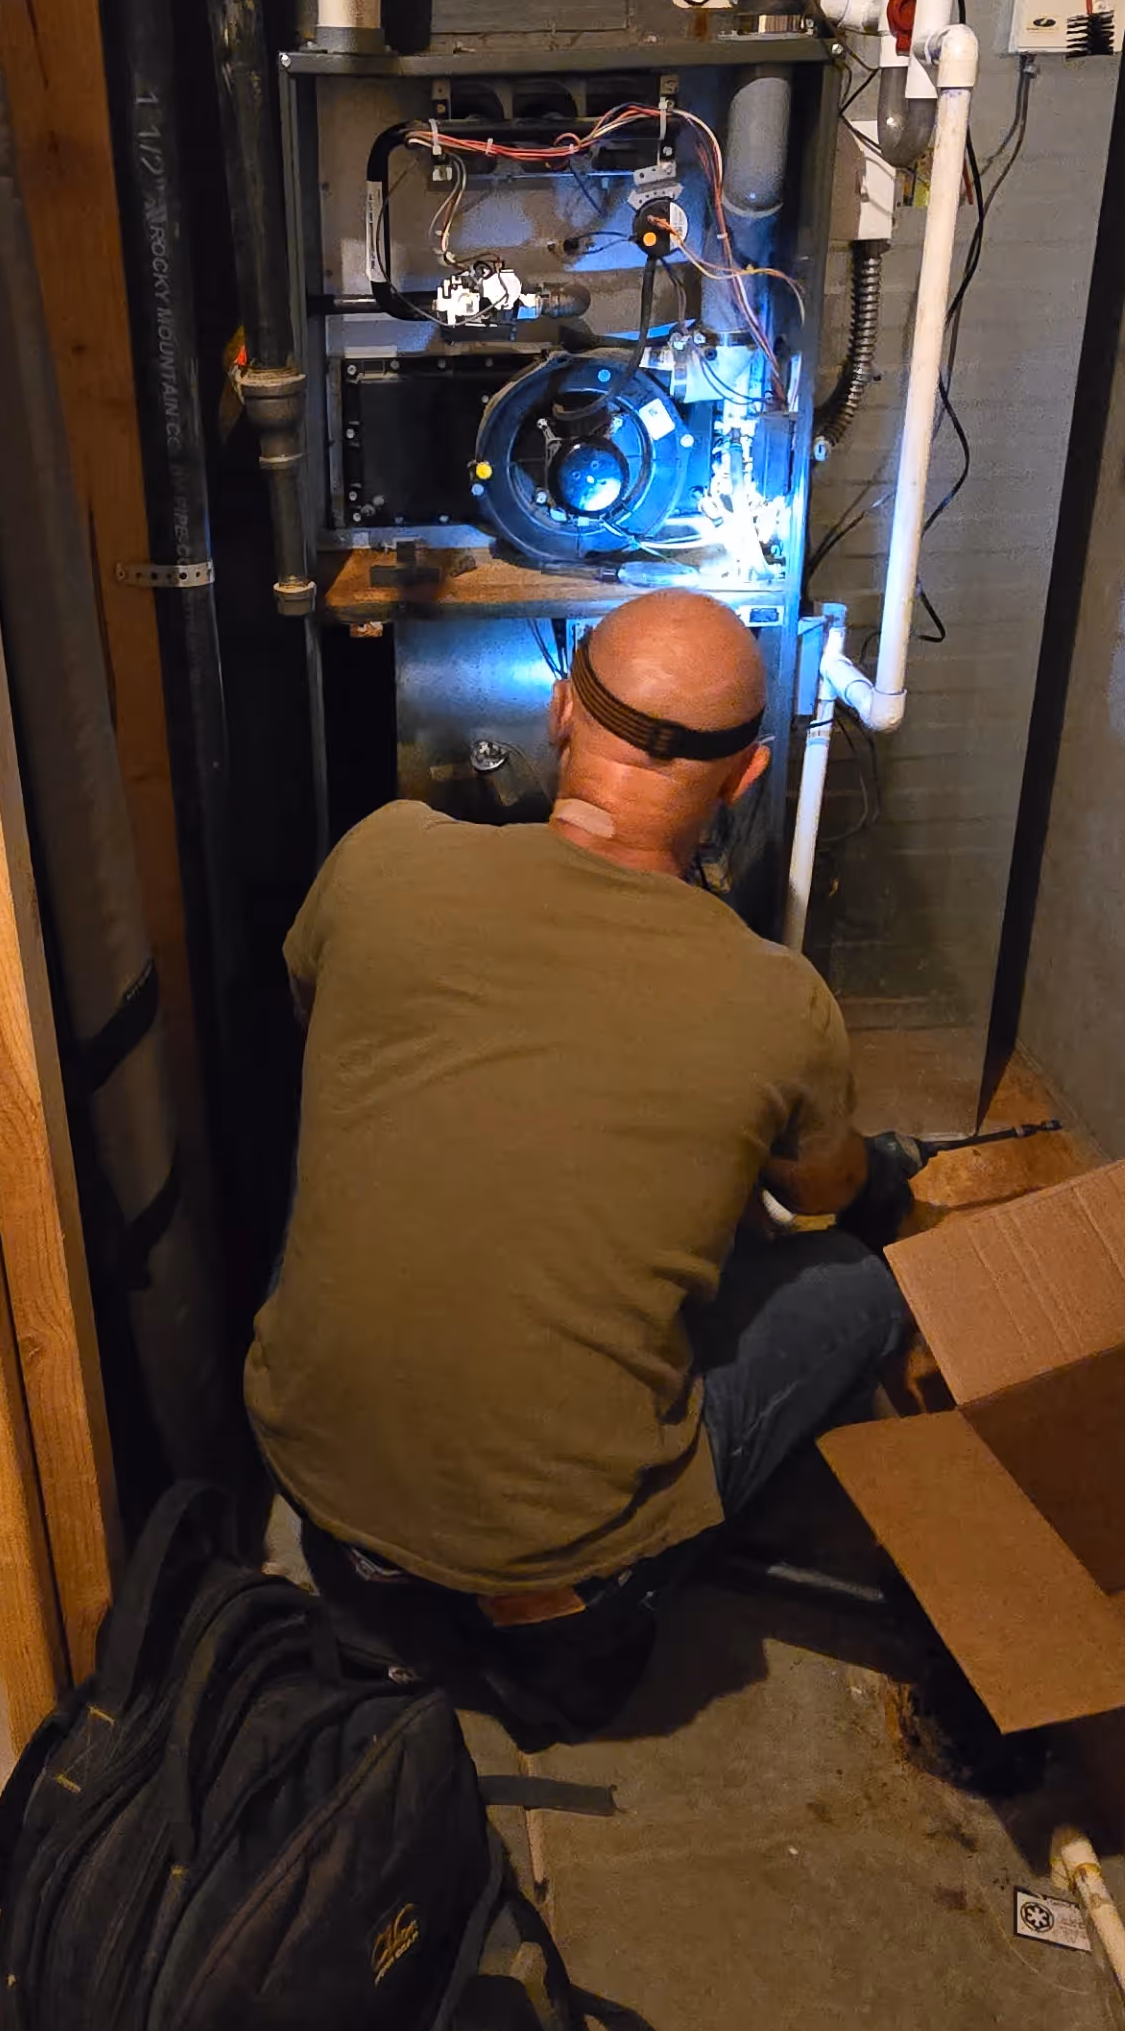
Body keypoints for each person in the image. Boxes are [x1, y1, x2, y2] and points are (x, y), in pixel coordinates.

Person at [245, 590, 905, 1681]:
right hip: (561, 1599)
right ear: (745, 778)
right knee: (860, 1285)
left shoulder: (382, 859)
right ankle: (581, 1588)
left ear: (559, 712)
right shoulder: (777, 1001)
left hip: (323, 1506)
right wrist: (875, 1176)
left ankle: (398, 1564)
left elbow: (316, 1005)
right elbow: (830, 1185)